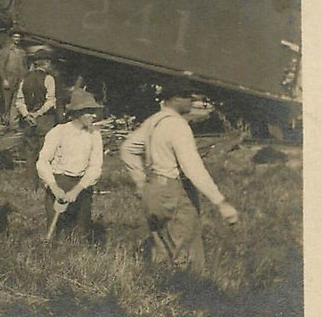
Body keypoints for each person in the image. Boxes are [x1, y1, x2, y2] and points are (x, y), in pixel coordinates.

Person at [119, 81, 240, 274]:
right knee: (187, 251)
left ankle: (160, 291)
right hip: (173, 191)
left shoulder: (153, 121)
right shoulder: (178, 126)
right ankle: (186, 294)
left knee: (162, 246)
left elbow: (127, 149)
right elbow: (193, 168)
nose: (191, 101)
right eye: (187, 97)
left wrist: (140, 181)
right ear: (175, 99)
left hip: (153, 190)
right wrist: (221, 202)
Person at [36, 89, 106, 241]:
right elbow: (42, 161)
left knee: (80, 231)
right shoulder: (59, 132)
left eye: (94, 111)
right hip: (59, 182)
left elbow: (95, 166)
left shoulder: (94, 135)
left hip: (82, 185)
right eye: (89, 112)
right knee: (56, 230)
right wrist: (53, 187)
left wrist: (78, 189)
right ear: (77, 113)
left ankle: (75, 259)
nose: (93, 116)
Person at [15, 48, 58, 189]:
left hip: (28, 121)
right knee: (46, 153)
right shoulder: (49, 79)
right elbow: (50, 101)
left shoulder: (25, 79)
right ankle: (47, 184)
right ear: (46, 63)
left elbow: (19, 101)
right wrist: (38, 114)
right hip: (44, 120)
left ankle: (31, 185)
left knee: (31, 152)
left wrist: (27, 115)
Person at [0, 31, 28, 121]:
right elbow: (0, 67)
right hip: (9, 79)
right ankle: (3, 123)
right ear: (11, 38)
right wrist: (4, 79)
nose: (17, 39)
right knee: (6, 103)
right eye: (15, 37)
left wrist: (24, 79)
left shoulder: (22, 52)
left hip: (19, 80)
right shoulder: (5, 51)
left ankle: (14, 124)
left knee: (17, 102)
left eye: (19, 37)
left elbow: (25, 66)